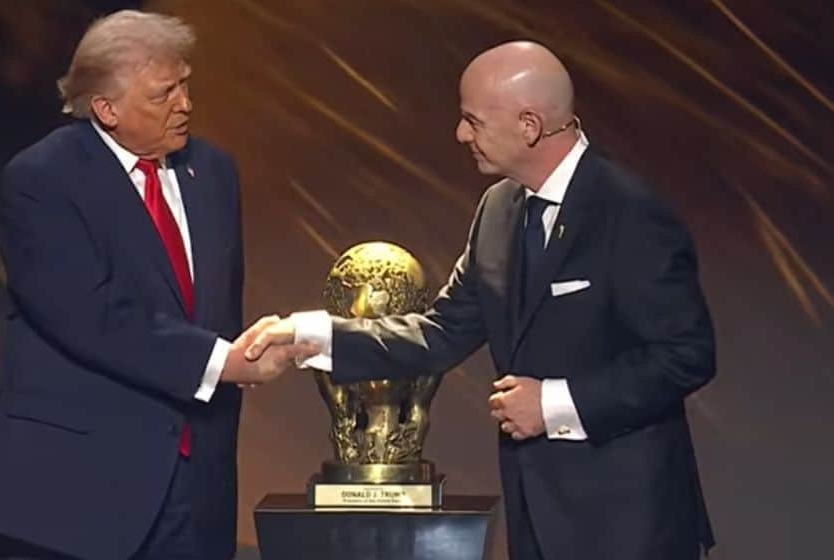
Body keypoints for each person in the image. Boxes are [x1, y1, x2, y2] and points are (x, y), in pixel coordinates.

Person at [246, 41, 716, 560]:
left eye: (473, 120)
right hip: (535, 517)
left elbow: (686, 354)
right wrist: (309, 335)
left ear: (529, 125)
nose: (460, 134)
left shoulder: (628, 210)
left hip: (630, 525)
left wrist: (554, 405)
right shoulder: (497, 210)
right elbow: (441, 332)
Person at [0, 10, 313, 560]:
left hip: (193, 494)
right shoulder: (41, 180)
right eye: (164, 93)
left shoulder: (214, 173)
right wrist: (222, 362)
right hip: (71, 493)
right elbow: (89, 315)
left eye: (186, 84)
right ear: (106, 109)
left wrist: (243, 352)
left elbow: (211, 310)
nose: (186, 104)